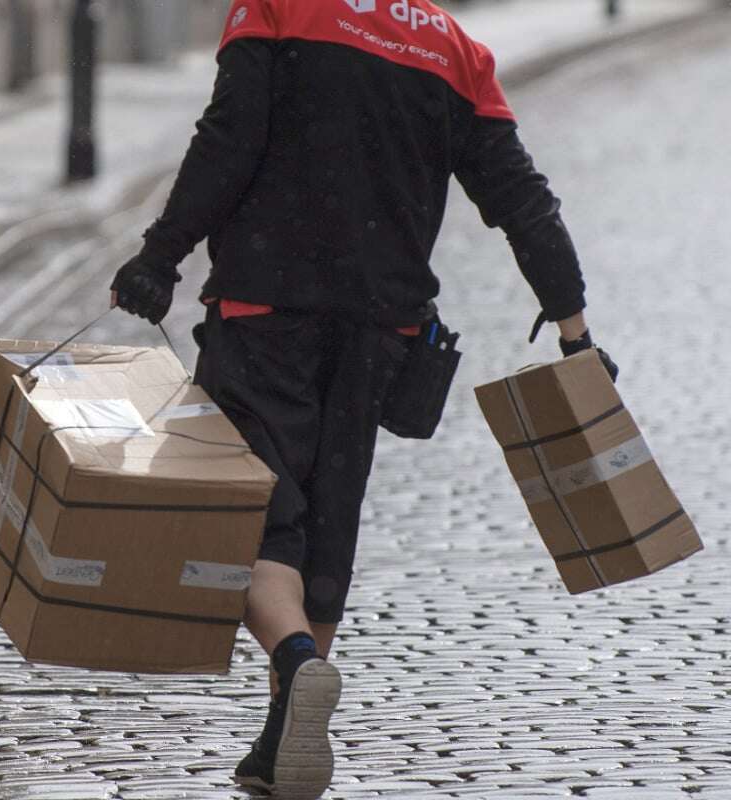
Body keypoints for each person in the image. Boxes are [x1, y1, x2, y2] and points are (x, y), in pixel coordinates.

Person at [110, 1, 618, 797]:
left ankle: (295, 663)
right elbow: (522, 199)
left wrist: (160, 254)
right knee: (326, 528)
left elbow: (230, 137)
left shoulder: (276, 11)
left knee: (245, 521)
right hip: (383, 330)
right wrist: (573, 330)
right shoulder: (453, 49)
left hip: (265, 310)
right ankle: (286, 743)